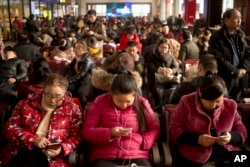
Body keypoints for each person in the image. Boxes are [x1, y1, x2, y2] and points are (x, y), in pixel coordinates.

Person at [0, 73, 83, 167]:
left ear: (65, 93)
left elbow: (77, 136)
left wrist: (62, 148)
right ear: (43, 91)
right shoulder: (25, 104)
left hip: (54, 158)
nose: (53, 100)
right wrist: (33, 139)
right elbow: (10, 128)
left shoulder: (73, 110)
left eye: (58, 96)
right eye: (49, 95)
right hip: (22, 150)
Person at [169, 73, 247, 167]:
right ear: (200, 94)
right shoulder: (187, 102)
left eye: (218, 101)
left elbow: (242, 131)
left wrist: (231, 137)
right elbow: (174, 130)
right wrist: (198, 139)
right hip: (196, 154)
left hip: (227, 152)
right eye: (210, 102)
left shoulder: (230, 105)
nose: (214, 106)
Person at [82, 72, 160, 167]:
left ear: (134, 95)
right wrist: (110, 133)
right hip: (105, 155)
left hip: (135, 153)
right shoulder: (100, 102)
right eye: (119, 101)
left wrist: (144, 142)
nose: (123, 105)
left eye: (128, 101)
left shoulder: (142, 103)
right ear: (111, 93)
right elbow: (87, 131)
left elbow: (154, 128)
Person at [209, 8, 250, 101]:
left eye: (240, 18)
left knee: (237, 106)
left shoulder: (241, 35)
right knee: (224, 103)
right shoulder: (216, 37)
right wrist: (235, 71)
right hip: (226, 77)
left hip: (241, 78)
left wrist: (244, 68)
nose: (239, 21)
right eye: (236, 18)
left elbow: (248, 53)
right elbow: (218, 58)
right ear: (226, 21)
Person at [147, 38, 179, 107]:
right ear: (158, 47)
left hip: (169, 79)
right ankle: (160, 107)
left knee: (174, 90)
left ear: (168, 48)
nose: (163, 49)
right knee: (159, 92)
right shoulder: (152, 57)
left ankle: (170, 107)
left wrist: (171, 71)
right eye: (161, 47)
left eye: (165, 48)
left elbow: (176, 67)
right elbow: (150, 68)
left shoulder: (171, 57)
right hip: (157, 80)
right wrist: (158, 70)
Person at [66, 40, 96, 109]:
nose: (74, 50)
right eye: (75, 48)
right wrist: (67, 79)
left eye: (76, 48)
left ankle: (84, 108)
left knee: (81, 92)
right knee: (67, 88)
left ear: (82, 49)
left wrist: (70, 81)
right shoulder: (77, 58)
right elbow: (70, 68)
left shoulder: (88, 59)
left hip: (87, 80)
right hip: (78, 79)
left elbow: (82, 74)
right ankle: (71, 107)